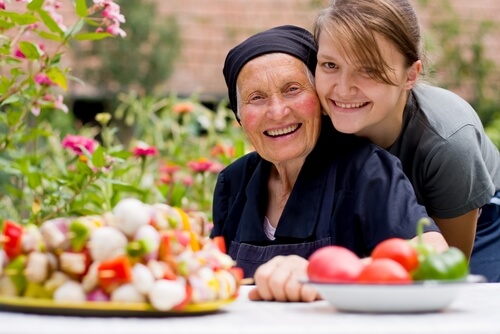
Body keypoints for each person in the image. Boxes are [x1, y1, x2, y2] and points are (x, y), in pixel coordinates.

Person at [210, 25, 448, 302]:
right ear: (239, 117)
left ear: (321, 100)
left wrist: (325, 272)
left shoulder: (365, 169)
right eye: (256, 98)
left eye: (292, 89)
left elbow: (433, 252)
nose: (277, 112)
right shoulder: (234, 182)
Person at [313, 0, 500, 282]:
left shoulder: (448, 142)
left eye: (369, 70)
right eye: (330, 64)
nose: (342, 88)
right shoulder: (317, 118)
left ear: (410, 75)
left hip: (479, 221)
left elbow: (445, 264)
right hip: (388, 217)